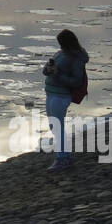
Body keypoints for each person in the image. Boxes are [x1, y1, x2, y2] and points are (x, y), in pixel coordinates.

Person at [42, 29, 89, 172]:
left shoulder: (76, 59)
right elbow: (45, 72)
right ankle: (64, 156)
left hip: (61, 96)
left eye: (61, 43)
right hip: (51, 93)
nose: (60, 45)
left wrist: (57, 74)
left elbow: (76, 81)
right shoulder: (60, 54)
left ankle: (63, 158)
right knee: (54, 126)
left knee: (57, 126)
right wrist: (49, 69)